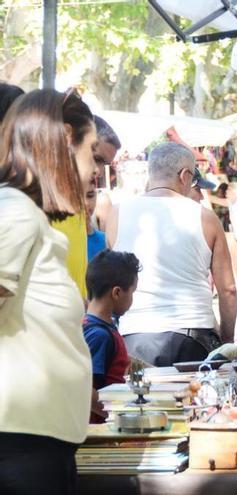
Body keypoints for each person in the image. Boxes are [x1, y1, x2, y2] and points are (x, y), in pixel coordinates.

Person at [0, 89, 93, 495]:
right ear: (65, 141)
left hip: (37, 444)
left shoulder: (26, 214)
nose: (95, 172)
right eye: (92, 153)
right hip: (18, 447)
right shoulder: (15, 210)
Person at [106, 142, 237, 366]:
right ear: (185, 176)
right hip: (193, 336)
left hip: (134, 335)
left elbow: (111, 280)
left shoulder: (116, 214)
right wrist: (226, 340)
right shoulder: (205, 218)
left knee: (142, 400)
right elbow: (228, 290)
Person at [51, 88, 99, 299]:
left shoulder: (74, 210)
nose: (97, 169)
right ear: (67, 136)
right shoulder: (22, 210)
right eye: (91, 150)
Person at [83, 250, 140, 423]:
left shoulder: (100, 328)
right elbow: (84, 390)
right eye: (132, 292)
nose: (132, 298)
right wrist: (119, 415)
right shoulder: (99, 335)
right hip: (98, 432)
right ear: (116, 293)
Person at [85, 183, 106, 260]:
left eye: (90, 195)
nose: (86, 203)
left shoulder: (106, 240)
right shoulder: (61, 242)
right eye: (78, 196)